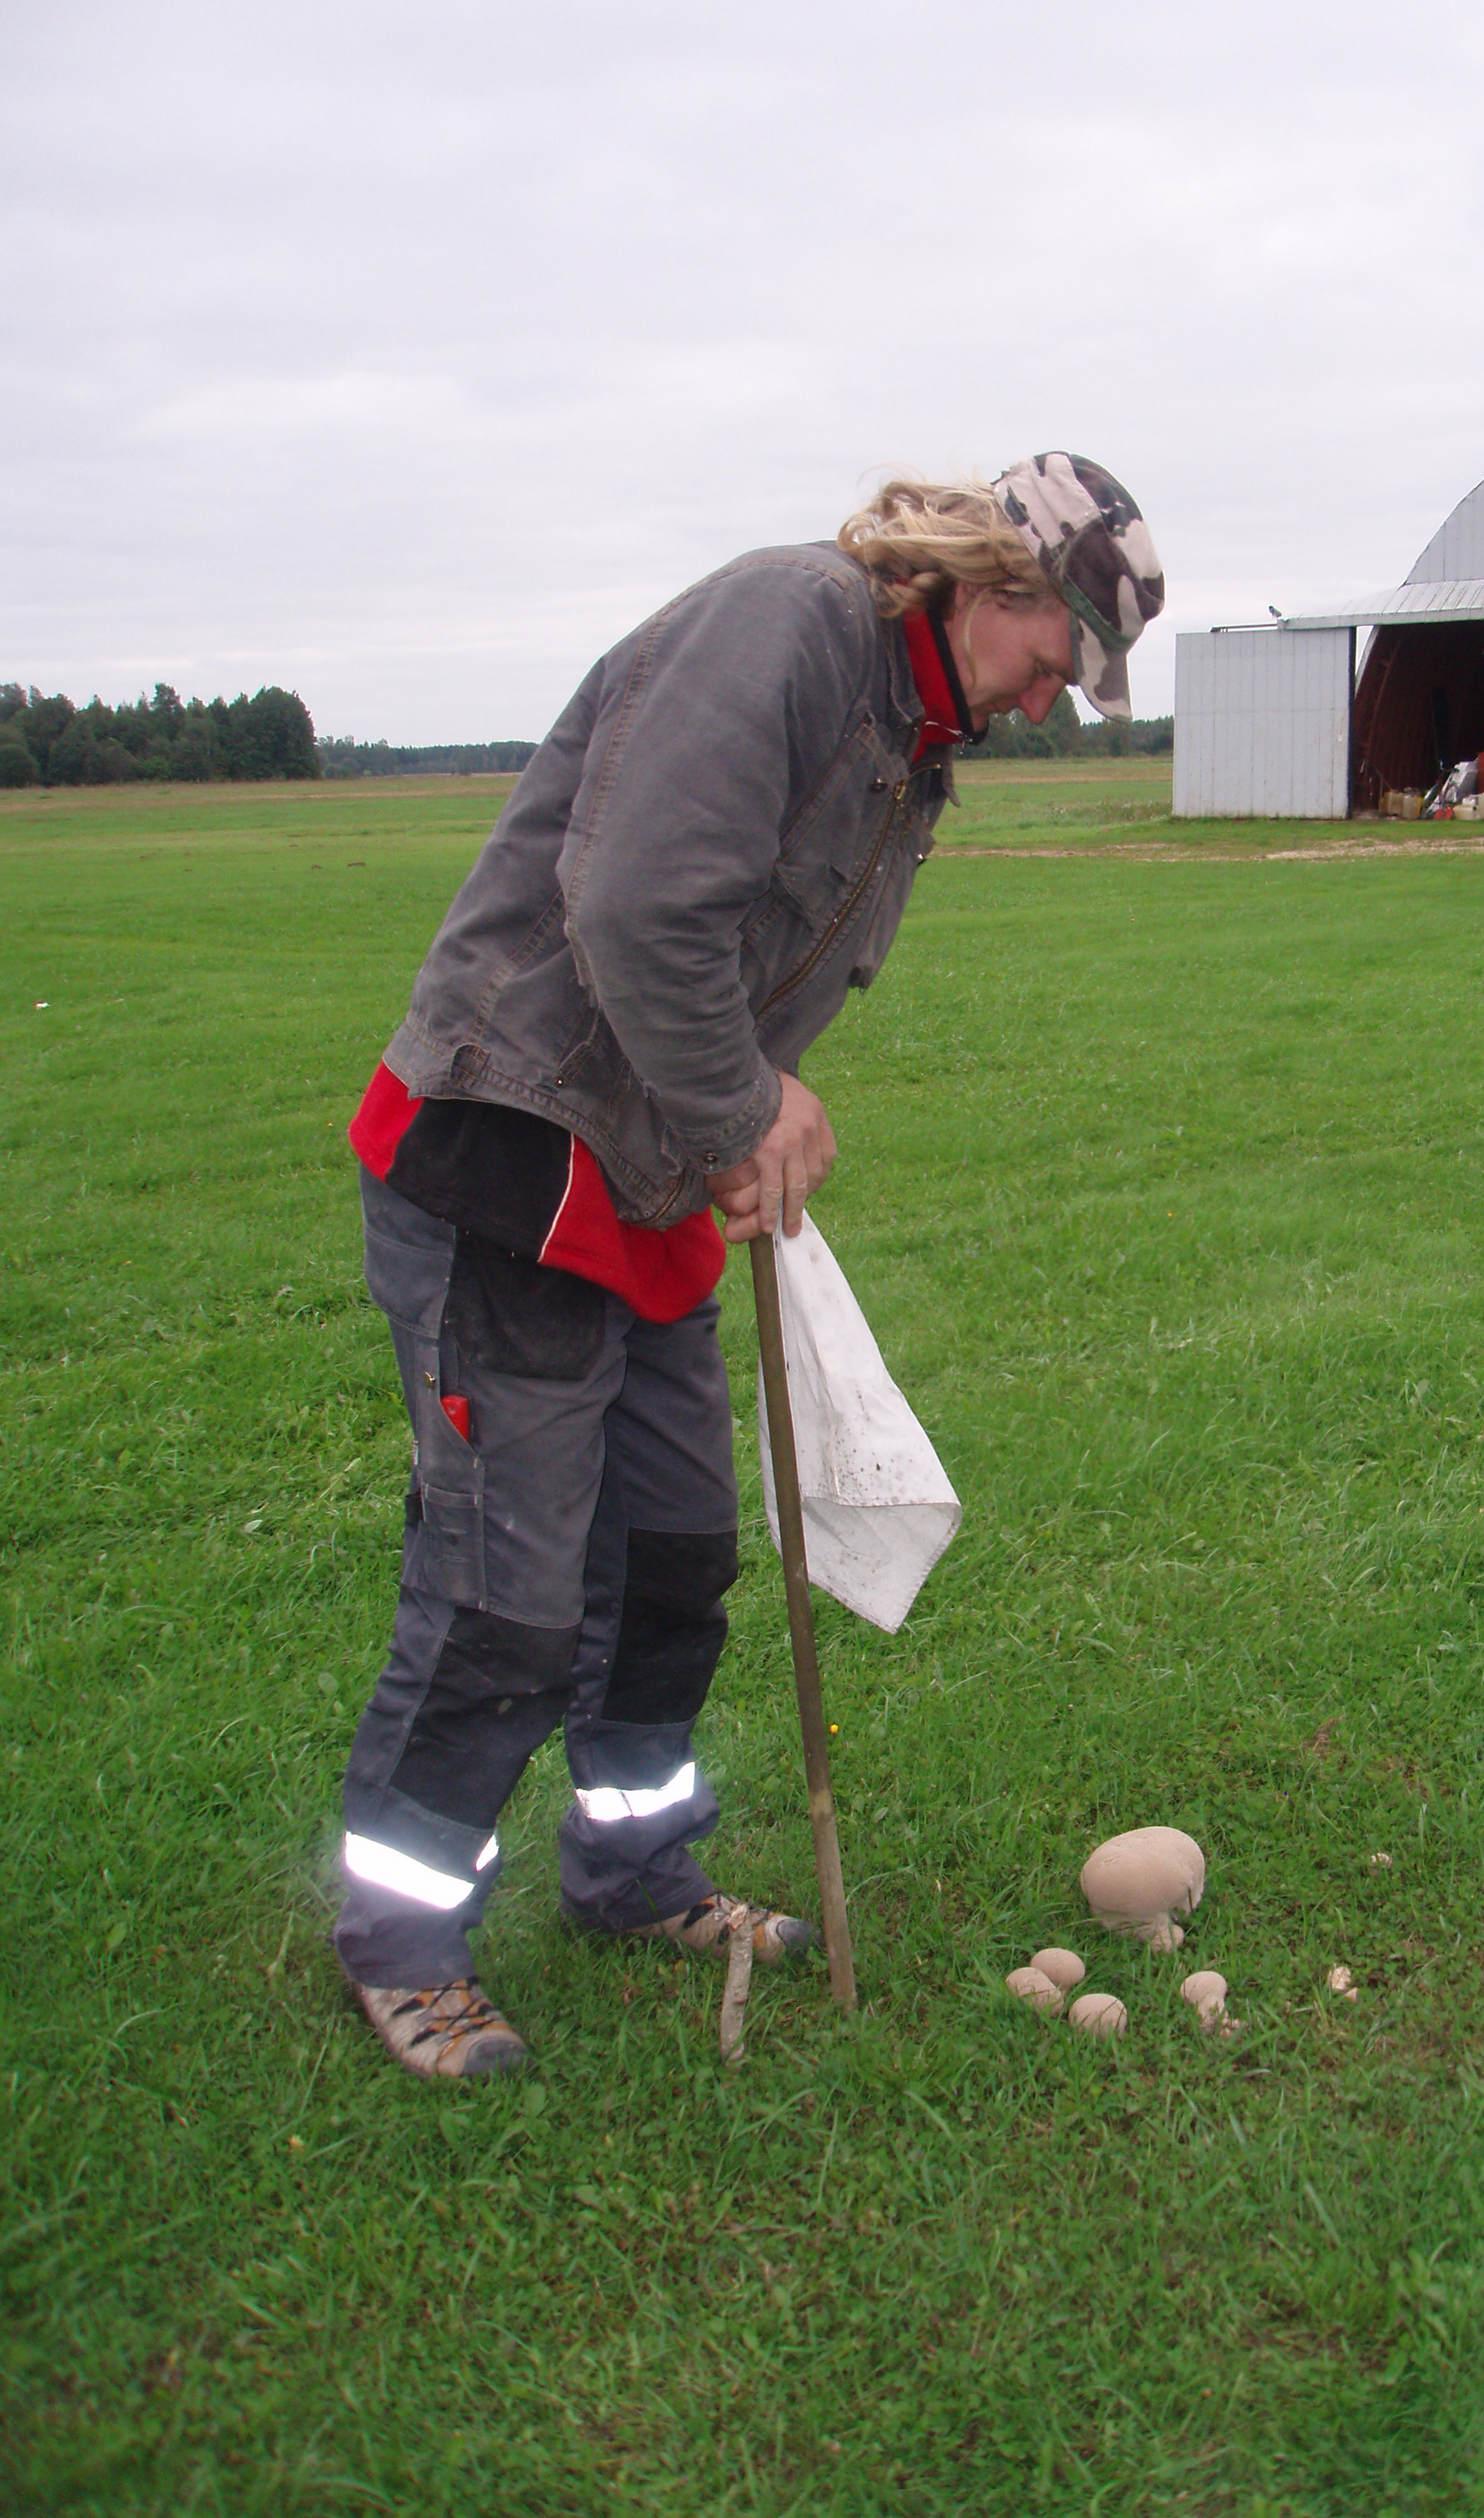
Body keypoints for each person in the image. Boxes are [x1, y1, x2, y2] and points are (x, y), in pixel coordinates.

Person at [334, 453, 1164, 2078]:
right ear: (994, 584)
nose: (1060, 700)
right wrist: (741, 1109)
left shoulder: (917, 740)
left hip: (641, 1187)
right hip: (513, 1155)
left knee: (669, 1558)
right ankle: (403, 1945)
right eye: (1061, 655)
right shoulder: (792, 628)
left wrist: (739, 1119)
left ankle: (631, 1875)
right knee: (510, 1598)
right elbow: (637, 905)